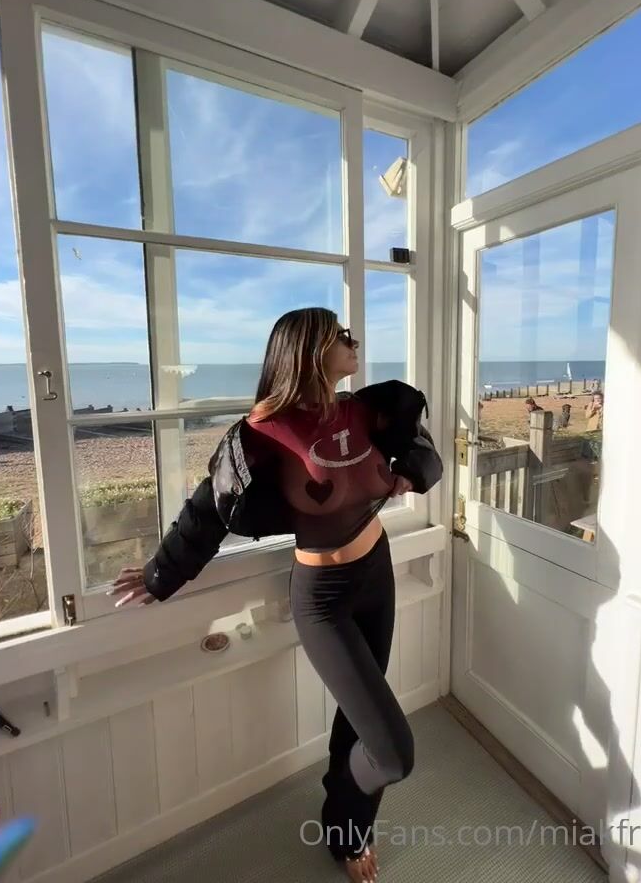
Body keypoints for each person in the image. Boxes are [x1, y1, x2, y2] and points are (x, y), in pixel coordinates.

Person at [108, 307, 443, 882]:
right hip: (323, 599)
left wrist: (411, 472)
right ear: (309, 350)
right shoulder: (261, 434)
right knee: (393, 753)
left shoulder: (370, 409)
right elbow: (207, 511)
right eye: (340, 335)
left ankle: (348, 831)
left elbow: (422, 450)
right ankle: (345, 801)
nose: (354, 340)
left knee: (359, 722)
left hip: (377, 571)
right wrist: (159, 575)